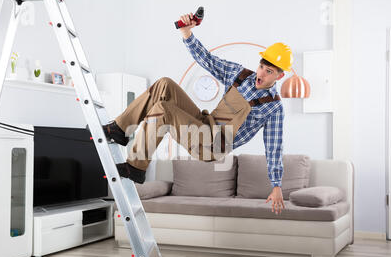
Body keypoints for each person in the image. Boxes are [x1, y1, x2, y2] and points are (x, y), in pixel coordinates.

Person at [102, 13, 291, 215]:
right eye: (261, 66)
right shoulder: (241, 75)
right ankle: (119, 129)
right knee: (164, 84)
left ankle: (136, 167)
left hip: (214, 144)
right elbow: (208, 60)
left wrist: (276, 185)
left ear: (280, 75)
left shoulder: (273, 108)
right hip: (204, 123)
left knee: (163, 110)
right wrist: (187, 33)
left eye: (269, 71)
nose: (260, 74)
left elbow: (274, 148)